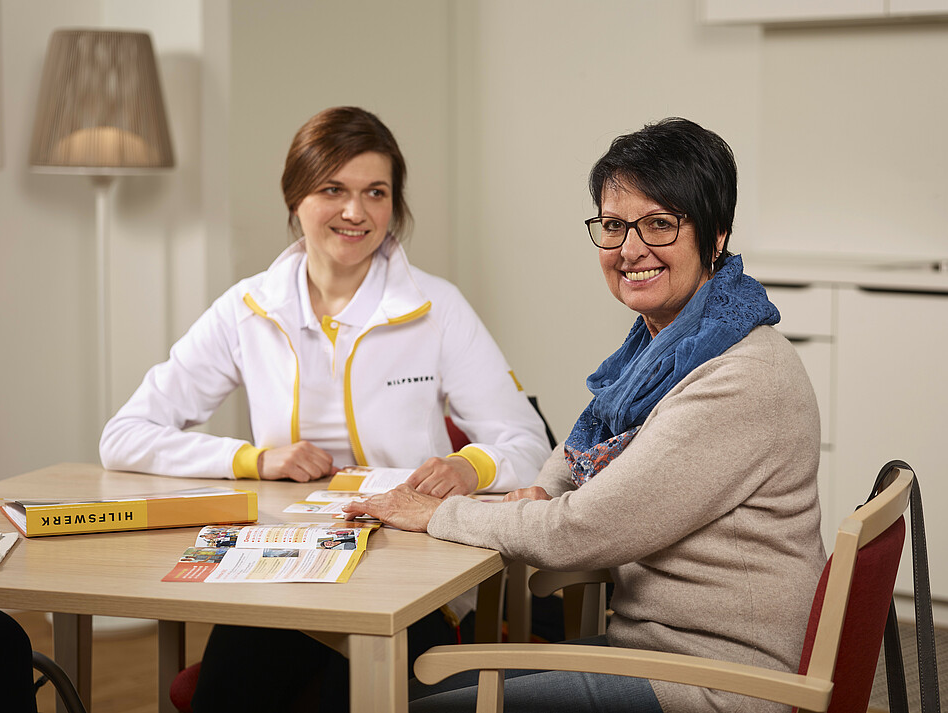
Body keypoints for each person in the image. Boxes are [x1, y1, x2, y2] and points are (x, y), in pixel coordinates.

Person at [344, 117, 827, 713]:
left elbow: (583, 530)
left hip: (716, 680)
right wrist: (539, 493)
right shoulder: (672, 345)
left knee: (410, 703)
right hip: (661, 650)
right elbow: (578, 456)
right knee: (414, 687)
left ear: (717, 236)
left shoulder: (738, 374)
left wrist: (440, 513)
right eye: (616, 226)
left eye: (660, 224)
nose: (630, 249)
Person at [99, 106, 551, 712]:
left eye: (376, 193)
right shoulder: (247, 309)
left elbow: (528, 441)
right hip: (284, 569)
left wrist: (471, 467)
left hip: (408, 575)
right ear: (295, 197)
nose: (355, 212)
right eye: (332, 189)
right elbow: (126, 436)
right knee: (229, 688)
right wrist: (252, 459)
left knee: (358, 690)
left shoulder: (437, 308)